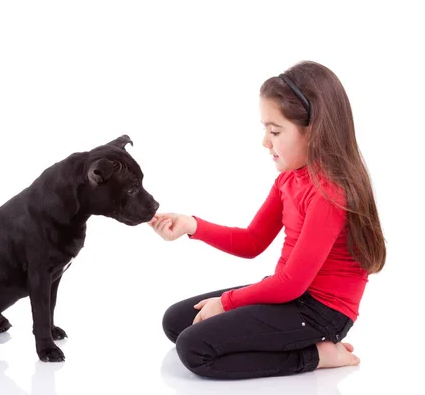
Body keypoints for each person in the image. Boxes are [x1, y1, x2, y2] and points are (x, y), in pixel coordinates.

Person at [149, 60, 386, 380]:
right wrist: (193, 225)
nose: (265, 142)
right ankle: (280, 340)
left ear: (314, 131)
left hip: (320, 313)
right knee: (177, 322)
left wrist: (227, 303)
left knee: (195, 349)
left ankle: (316, 355)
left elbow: (292, 284)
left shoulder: (329, 195)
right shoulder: (289, 179)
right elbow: (253, 241)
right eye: (265, 129)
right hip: (291, 296)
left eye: (274, 131)